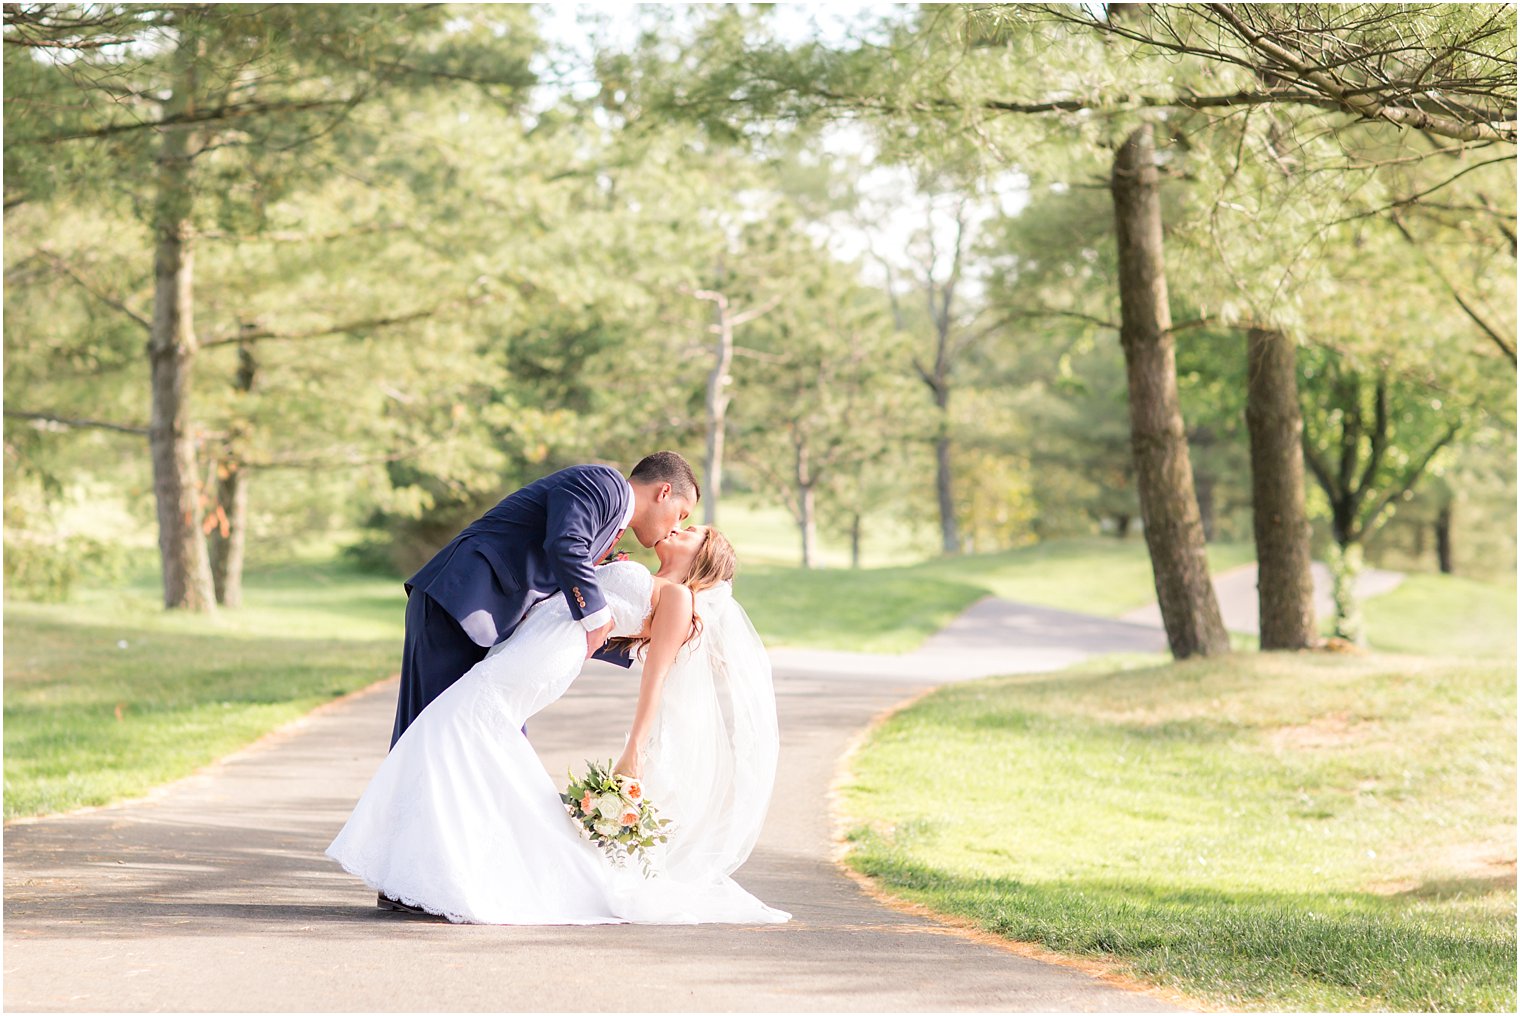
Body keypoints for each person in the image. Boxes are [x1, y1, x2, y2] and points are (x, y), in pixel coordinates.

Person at [326, 525, 788, 926]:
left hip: (545, 657)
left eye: (693, 534)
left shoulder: (678, 597)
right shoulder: (643, 574)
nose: (679, 529)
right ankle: (451, 866)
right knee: (466, 737)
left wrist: (635, 751)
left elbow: (656, 676)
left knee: (451, 725)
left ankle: (449, 870)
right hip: (533, 643)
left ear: (702, 559)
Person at [390, 452, 699, 748]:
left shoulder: (611, 523)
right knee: (430, 734)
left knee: (481, 736)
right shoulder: (605, 483)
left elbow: (556, 599)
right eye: (681, 514)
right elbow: (566, 543)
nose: (677, 526)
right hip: (461, 601)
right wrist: (597, 616)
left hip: (484, 617)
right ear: (664, 492)